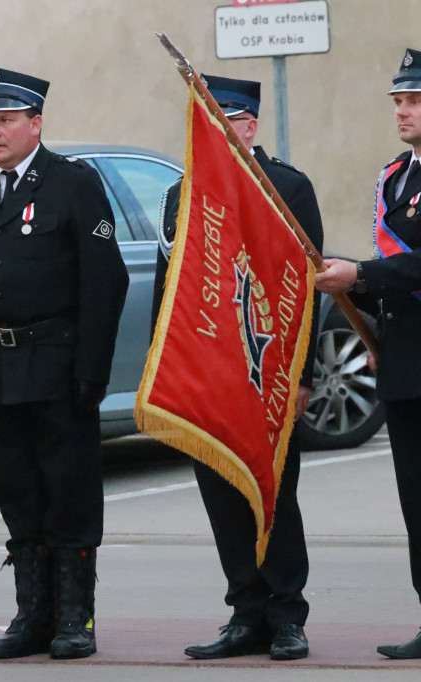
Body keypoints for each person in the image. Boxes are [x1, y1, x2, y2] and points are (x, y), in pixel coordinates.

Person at [0, 67, 129, 660]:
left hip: (56, 361)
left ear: (35, 124)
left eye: (5, 121)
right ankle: (33, 614)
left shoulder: (72, 184)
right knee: (18, 492)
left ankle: (76, 618)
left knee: (68, 492)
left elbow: (106, 282)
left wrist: (92, 370)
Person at [153, 75, 324, 661]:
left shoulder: (287, 188)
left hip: (266, 375)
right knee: (223, 498)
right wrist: (165, 370)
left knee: (273, 493)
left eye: (226, 121)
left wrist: (301, 376)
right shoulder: (183, 194)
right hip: (207, 374)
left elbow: (307, 294)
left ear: (249, 125)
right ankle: (244, 611)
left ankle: (286, 614)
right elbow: (168, 289)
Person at [314, 48, 421, 660]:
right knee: (415, 501)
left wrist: (363, 274)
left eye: (412, 101)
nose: (402, 112)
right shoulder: (395, 176)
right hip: (405, 361)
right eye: (398, 102)